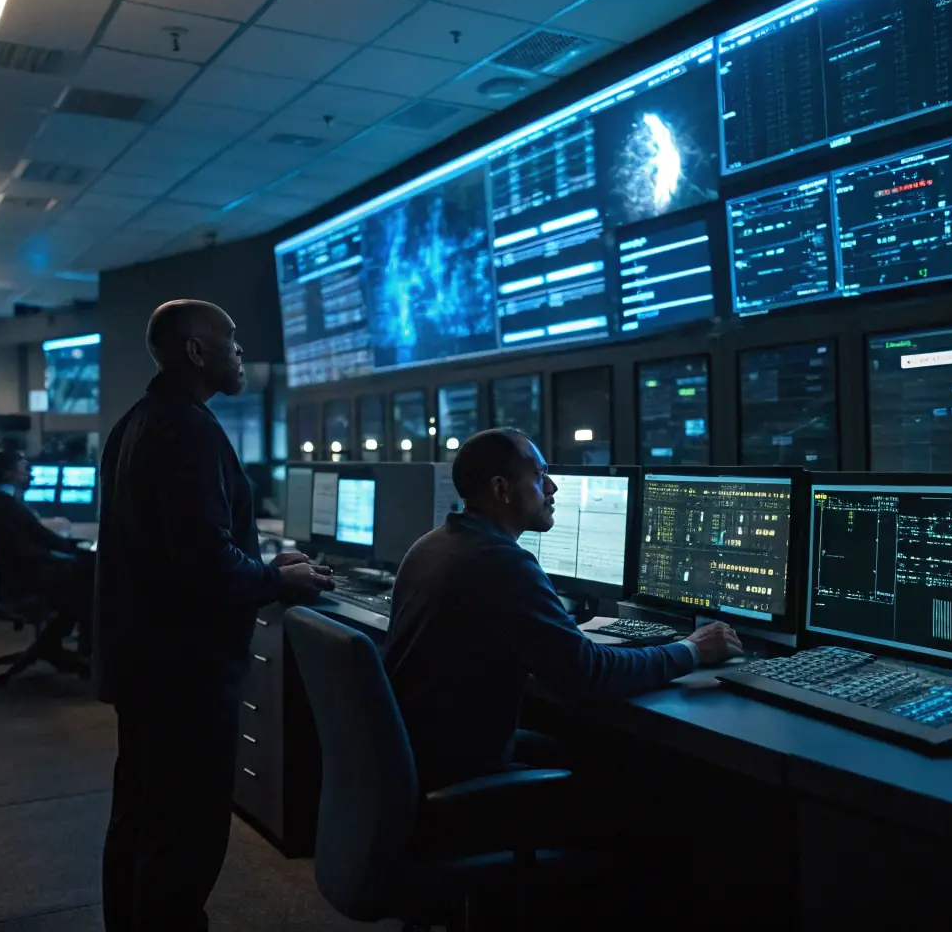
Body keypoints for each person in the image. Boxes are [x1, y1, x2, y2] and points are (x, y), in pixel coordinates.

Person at [96, 299, 334, 932]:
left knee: (140, 818)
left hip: (142, 666)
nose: (240, 353)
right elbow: (202, 567)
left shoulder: (136, 422)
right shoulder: (189, 429)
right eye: (230, 341)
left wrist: (259, 560)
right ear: (196, 351)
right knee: (185, 836)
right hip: (186, 675)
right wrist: (276, 580)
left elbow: (174, 546)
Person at [386, 428, 743, 795]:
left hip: (415, 757)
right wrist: (692, 650)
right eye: (540, 476)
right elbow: (589, 674)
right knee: (631, 774)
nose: (553, 487)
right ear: (501, 489)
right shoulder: (502, 563)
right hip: (457, 771)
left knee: (572, 744)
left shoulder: (431, 545)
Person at [0, 450, 94, 665]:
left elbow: (42, 538)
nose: (29, 475)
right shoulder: (4, 505)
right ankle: (85, 652)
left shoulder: (1, 501)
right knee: (91, 584)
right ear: (8, 474)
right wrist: (70, 554)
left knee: (86, 574)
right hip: (25, 582)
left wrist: (76, 546)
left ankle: (60, 645)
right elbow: (25, 550)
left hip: (20, 576)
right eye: (24, 470)